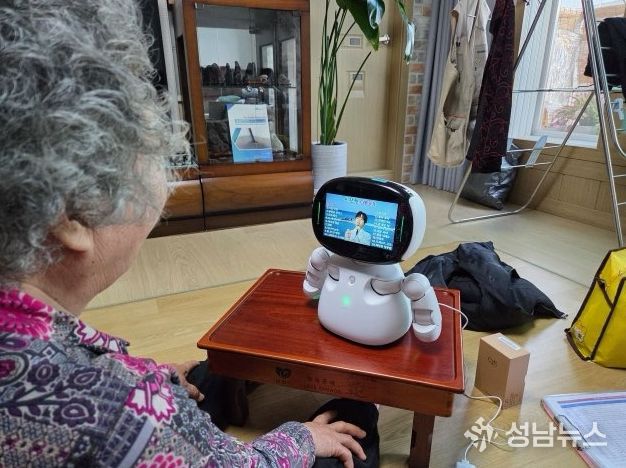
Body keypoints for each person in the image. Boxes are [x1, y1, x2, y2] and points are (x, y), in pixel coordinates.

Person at [0, 1, 379, 466]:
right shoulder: (126, 410)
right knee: (357, 416)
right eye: (149, 149)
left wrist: (148, 375)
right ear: (70, 217)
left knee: (206, 373)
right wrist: (300, 437)